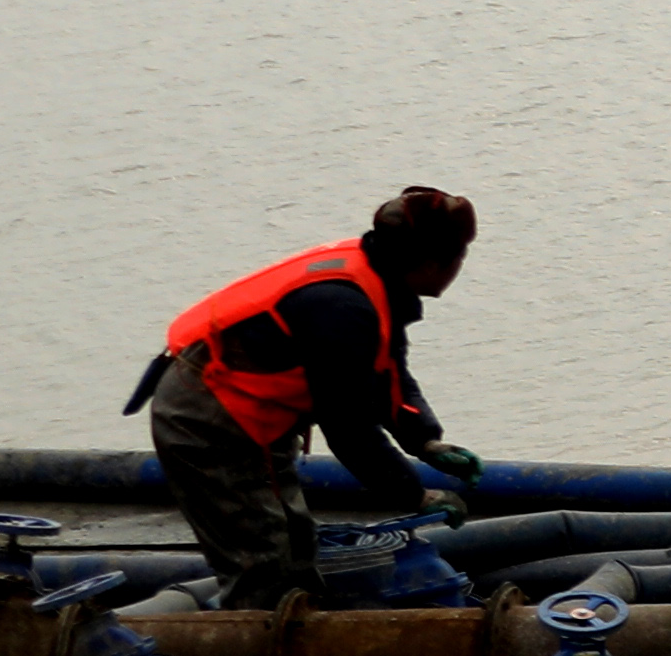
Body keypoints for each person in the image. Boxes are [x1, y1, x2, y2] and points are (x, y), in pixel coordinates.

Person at [131, 188, 488, 608]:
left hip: (253, 416)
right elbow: (350, 427)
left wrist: (425, 441)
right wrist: (415, 495)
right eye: (461, 256)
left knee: (297, 543)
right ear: (434, 263)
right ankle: (251, 652)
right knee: (262, 566)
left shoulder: (378, 275)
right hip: (208, 420)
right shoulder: (341, 308)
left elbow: (387, 370)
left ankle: (294, 625)